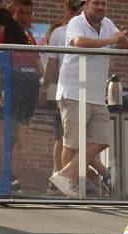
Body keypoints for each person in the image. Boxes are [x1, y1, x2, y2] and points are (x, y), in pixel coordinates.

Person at [51, 0, 128, 197]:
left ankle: (63, 175)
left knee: (101, 140)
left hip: (96, 95)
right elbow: (79, 43)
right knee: (71, 143)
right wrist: (111, 40)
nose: (101, 7)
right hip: (73, 92)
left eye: (104, 4)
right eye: (96, 3)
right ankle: (71, 187)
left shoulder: (108, 24)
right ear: (87, 4)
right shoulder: (76, 22)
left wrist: (120, 40)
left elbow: (127, 46)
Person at [0, 6, 43, 194]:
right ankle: (15, 181)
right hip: (32, 84)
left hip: (15, 84)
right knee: (22, 136)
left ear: (0, 24)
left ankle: (3, 178)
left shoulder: (4, 36)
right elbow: (40, 70)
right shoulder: (28, 37)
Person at [43, 0, 86, 191]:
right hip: (68, 91)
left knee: (63, 137)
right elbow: (52, 65)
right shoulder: (60, 33)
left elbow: (52, 66)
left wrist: (44, 88)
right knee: (64, 138)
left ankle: (60, 174)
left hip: (71, 91)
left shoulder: (60, 33)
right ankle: (62, 176)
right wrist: (44, 88)